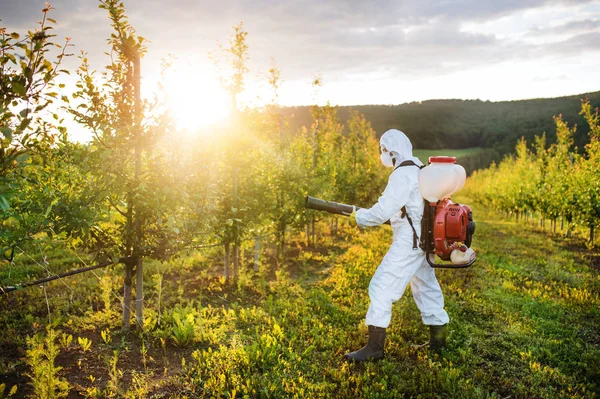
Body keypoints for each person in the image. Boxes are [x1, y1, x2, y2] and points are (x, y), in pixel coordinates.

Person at [344, 129, 449, 362]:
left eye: (383, 151)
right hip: (425, 240)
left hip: (409, 241)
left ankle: (374, 349)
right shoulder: (421, 169)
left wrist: (360, 217)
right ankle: (438, 342)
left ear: (391, 151)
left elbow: (383, 210)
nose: (382, 156)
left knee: (381, 286)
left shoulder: (403, 174)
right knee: (425, 286)